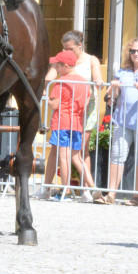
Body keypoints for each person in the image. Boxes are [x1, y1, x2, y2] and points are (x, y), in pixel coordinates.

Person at [97, 38, 138, 206]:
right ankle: (111, 194)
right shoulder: (123, 70)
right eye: (133, 51)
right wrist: (114, 88)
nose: (136, 54)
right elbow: (112, 95)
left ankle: (137, 196)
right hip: (122, 118)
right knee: (117, 156)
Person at [43, 30, 102, 193]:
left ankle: (73, 189)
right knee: (71, 153)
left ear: (79, 45)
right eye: (64, 48)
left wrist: (49, 96)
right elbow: (49, 77)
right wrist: (47, 87)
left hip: (74, 114)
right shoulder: (64, 65)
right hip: (76, 114)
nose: (65, 51)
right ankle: (87, 187)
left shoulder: (89, 60)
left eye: (69, 48)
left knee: (73, 152)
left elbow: (97, 79)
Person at [40, 50, 92, 202]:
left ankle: (66, 191)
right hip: (77, 123)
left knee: (63, 157)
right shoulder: (84, 82)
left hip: (62, 122)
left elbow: (54, 104)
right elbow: (86, 103)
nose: (56, 68)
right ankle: (90, 189)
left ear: (66, 66)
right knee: (76, 158)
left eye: (58, 65)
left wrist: (46, 98)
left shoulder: (60, 82)